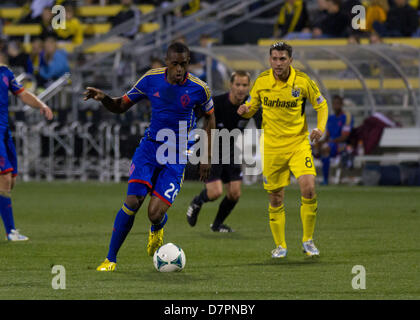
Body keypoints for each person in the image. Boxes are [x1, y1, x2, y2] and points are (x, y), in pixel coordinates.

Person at [84, 42, 216, 272]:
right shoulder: (150, 79)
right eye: (175, 64)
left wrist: (206, 155)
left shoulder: (199, 88)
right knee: (133, 202)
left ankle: (158, 226)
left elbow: (210, 118)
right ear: (166, 62)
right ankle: (110, 259)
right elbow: (120, 106)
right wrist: (104, 98)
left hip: (176, 155)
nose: (179, 69)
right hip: (149, 149)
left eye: (183, 65)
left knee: (154, 213)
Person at [237, 42, 328, 258]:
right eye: (274, 59)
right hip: (271, 146)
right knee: (276, 198)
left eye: (282, 59)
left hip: (298, 144)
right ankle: (280, 245)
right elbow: (252, 107)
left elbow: (321, 105)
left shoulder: (303, 81)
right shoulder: (261, 81)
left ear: (290, 61)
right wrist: (245, 110)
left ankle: (308, 241)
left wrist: (320, 128)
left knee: (308, 189)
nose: (278, 63)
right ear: (270, 60)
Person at [186, 70, 261, 232]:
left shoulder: (251, 106)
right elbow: (194, 116)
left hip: (230, 150)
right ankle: (197, 201)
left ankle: (217, 225)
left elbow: (264, 124)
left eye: (245, 85)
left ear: (249, 87)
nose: (241, 88)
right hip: (210, 149)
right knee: (215, 193)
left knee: (235, 193)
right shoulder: (217, 102)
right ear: (231, 85)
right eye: (238, 84)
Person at [0, 52, 53, 241]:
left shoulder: (5, 72)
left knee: (11, 181)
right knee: (4, 179)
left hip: (5, 132)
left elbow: (22, 94)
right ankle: (11, 232)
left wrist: (41, 105)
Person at [314, 95, 354, 185]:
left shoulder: (346, 117)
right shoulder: (331, 118)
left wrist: (328, 143)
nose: (336, 106)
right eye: (334, 104)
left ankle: (325, 179)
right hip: (331, 144)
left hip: (343, 145)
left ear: (341, 104)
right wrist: (318, 143)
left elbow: (345, 137)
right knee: (310, 147)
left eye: (338, 104)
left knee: (326, 149)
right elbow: (327, 136)